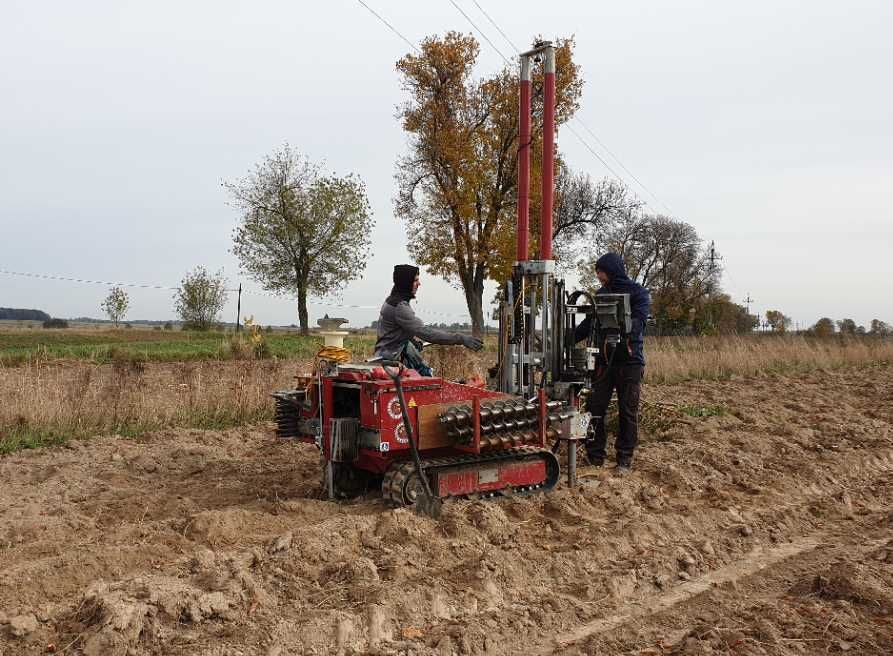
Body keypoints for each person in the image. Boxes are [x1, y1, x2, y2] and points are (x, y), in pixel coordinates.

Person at [575, 253, 651, 472]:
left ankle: (624, 459)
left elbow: (639, 322)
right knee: (594, 408)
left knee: (627, 411)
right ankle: (594, 455)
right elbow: (588, 324)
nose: (598, 276)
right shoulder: (600, 294)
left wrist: (620, 325)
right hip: (604, 361)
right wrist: (566, 338)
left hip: (629, 362)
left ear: (611, 270)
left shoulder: (638, 293)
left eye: (601, 271)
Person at [374, 264, 483, 374]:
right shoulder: (400, 307)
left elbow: (394, 331)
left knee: (423, 371)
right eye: (415, 280)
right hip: (391, 361)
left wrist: (412, 340)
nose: (419, 284)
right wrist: (461, 338)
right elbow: (427, 333)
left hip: (386, 355)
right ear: (405, 283)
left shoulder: (391, 300)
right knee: (426, 378)